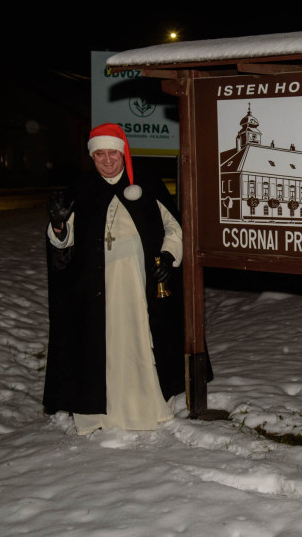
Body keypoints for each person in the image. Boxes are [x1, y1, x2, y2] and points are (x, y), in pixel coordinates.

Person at [43, 123, 186, 435]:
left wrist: (167, 255)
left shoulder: (146, 182)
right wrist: (57, 226)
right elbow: (63, 245)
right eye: (99, 155)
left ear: (124, 153)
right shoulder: (81, 188)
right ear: (92, 156)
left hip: (139, 280)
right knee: (100, 342)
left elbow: (174, 226)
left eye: (112, 153)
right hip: (96, 285)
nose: (107, 161)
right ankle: (99, 413)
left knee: (141, 337)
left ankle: (147, 406)